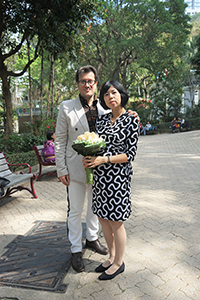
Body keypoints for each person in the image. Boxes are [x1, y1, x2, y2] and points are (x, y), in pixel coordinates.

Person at [54, 65, 139, 273]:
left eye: (90, 81)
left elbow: (119, 113)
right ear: (78, 84)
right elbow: (60, 141)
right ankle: (76, 250)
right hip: (75, 167)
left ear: (95, 84)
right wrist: (61, 169)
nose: (87, 84)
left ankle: (92, 239)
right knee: (75, 210)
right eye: (83, 81)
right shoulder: (66, 107)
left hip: (101, 171)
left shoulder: (103, 107)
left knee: (96, 209)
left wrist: (132, 113)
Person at [83, 80, 139, 280]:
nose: (110, 97)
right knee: (102, 219)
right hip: (100, 176)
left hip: (118, 178)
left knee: (116, 222)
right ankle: (111, 256)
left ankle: (119, 263)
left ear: (121, 94)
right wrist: (89, 157)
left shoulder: (132, 119)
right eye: (106, 94)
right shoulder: (102, 120)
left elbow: (129, 154)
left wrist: (104, 159)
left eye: (114, 92)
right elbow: (96, 145)